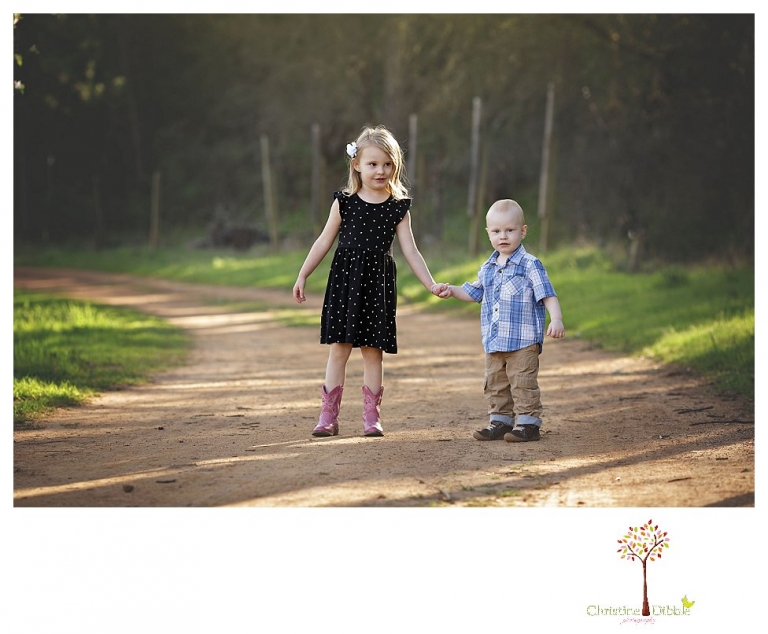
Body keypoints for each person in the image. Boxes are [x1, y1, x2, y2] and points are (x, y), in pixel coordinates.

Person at [293, 125, 447, 437]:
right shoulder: (344, 203)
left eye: (388, 164)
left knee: (373, 351)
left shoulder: (398, 207)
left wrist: (430, 284)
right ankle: (327, 415)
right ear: (357, 165)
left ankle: (371, 417)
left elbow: (411, 251)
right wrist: (303, 273)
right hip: (345, 282)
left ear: (396, 166)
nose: (381, 170)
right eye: (373, 164)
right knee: (339, 348)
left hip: (378, 286)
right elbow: (323, 241)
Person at [438, 199, 564, 442]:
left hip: (523, 341)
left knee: (522, 382)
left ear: (523, 231)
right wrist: (452, 290)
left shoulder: (530, 265)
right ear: (488, 234)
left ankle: (528, 424)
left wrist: (556, 319)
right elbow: (475, 292)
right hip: (495, 340)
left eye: (510, 230)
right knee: (495, 383)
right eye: (496, 231)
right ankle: (500, 421)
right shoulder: (488, 267)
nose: (503, 236)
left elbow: (547, 293)